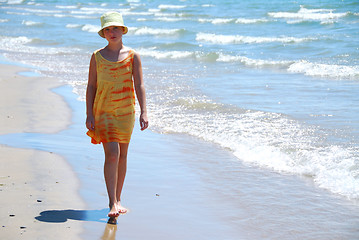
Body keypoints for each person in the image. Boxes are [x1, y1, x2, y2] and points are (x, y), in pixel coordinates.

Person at [85, 12, 148, 218]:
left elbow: (139, 85)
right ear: (103, 33)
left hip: (126, 112)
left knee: (122, 156)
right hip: (103, 111)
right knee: (112, 154)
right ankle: (112, 202)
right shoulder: (96, 56)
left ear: (123, 30)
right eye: (108, 29)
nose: (112, 32)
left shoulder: (133, 55)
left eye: (115, 28)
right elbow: (91, 86)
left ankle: (119, 198)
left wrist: (144, 111)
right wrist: (89, 114)